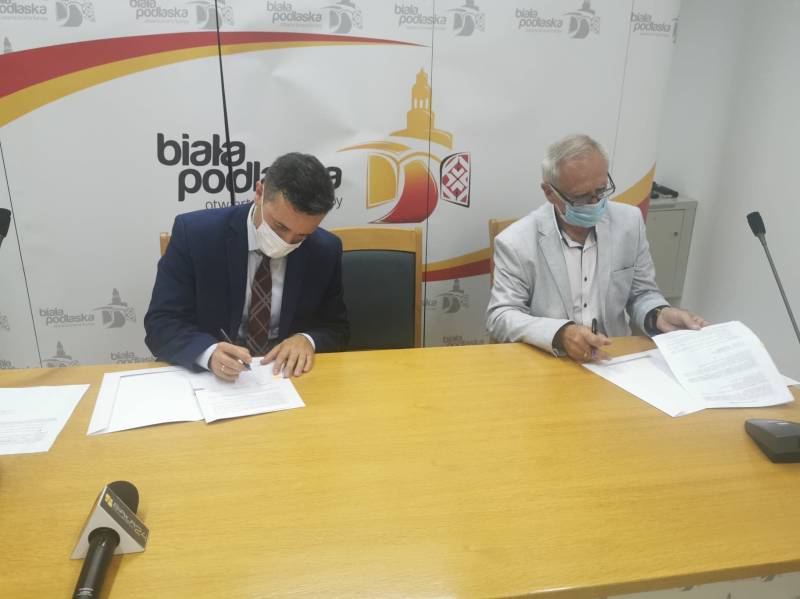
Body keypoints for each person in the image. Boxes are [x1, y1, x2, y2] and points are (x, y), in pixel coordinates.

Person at [486, 134, 707, 362]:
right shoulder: (516, 242)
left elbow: (642, 293)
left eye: (601, 191)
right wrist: (560, 334)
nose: (594, 204)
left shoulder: (629, 223)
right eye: (581, 197)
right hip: (552, 360)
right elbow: (501, 316)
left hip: (614, 357)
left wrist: (659, 314)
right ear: (550, 193)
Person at [145, 152, 349, 379]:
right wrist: (208, 353)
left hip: (284, 377)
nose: (287, 241)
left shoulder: (325, 249)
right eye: (280, 227)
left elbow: (336, 328)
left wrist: (308, 340)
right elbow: (161, 323)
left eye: (302, 236)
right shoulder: (196, 234)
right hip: (210, 379)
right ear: (259, 193)